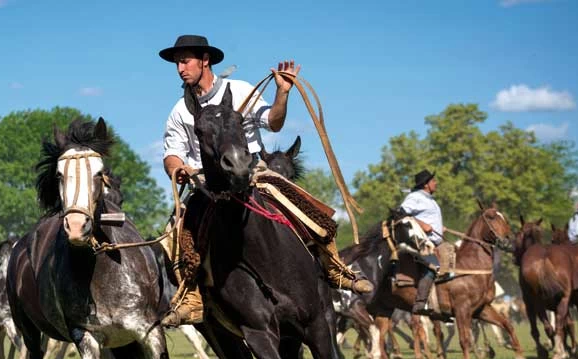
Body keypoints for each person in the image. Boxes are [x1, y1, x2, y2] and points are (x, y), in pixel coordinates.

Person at [158, 34, 372, 327]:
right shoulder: (180, 110)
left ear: (204, 60)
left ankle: (335, 266)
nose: (180, 68)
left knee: (311, 210)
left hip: (254, 173)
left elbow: (273, 122)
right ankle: (191, 296)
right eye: (177, 63)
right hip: (207, 184)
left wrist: (283, 93)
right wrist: (179, 168)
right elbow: (172, 153)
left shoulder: (240, 90)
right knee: (174, 233)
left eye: (185, 61)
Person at [399, 169, 443, 315]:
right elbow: (401, 213)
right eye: (433, 181)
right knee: (433, 265)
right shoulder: (415, 197)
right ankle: (420, 304)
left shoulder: (430, 199)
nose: (435, 183)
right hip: (420, 242)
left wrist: (440, 228)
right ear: (426, 184)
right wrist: (421, 224)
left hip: (435, 242)